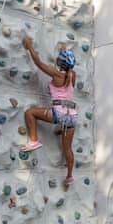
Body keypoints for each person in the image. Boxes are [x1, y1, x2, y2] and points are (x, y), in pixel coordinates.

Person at [21, 36, 78, 187]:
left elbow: (39, 63)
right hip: (72, 116)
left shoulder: (57, 75)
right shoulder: (72, 75)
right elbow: (68, 66)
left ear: (60, 62)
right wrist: (64, 50)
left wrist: (30, 47)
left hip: (59, 113)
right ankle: (70, 176)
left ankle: (34, 140)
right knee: (68, 148)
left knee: (30, 113)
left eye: (59, 59)